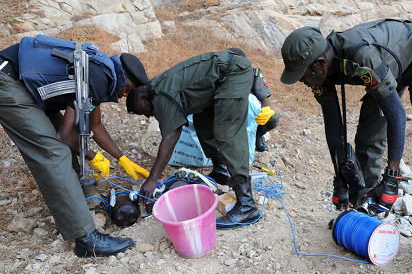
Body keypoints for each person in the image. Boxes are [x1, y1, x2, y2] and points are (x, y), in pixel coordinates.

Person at [280, 19, 412, 274]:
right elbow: (334, 129)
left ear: (319, 64)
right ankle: (360, 210)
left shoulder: (360, 56)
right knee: (367, 136)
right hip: (386, 70)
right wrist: (340, 180)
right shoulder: (321, 71)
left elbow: (396, 114)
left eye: (301, 76)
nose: (301, 82)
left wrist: (393, 176)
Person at [0, 34, 150, 257]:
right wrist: (93, 156)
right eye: (127, 89)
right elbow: (64, 135)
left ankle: (77, 199)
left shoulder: (101, 71)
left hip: (27, 83)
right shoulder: (98, 78)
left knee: (61, 142)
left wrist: (122, 158)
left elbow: (95, 127)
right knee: (54, 152)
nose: (124, 95)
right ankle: (87, 240)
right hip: (10, 82)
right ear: (123, 77)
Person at [126, 48, 260, 229]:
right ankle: (221, 170)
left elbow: (172, 135)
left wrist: (152, 179)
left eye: (142, 110)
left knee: (226, 132)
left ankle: (247, 205)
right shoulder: (160, 90)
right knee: (203, 123)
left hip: (232, 73)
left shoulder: (160, 95)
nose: (148, 116)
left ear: (143, 97)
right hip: (221, 78)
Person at [206, 47, 281, 186]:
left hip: (247, 115)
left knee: (274, 118)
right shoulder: (218, 72)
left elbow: (264, 97)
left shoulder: (252, 73)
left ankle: (258, 135)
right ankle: (219, 161)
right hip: (224, 115)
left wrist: (266, 109)